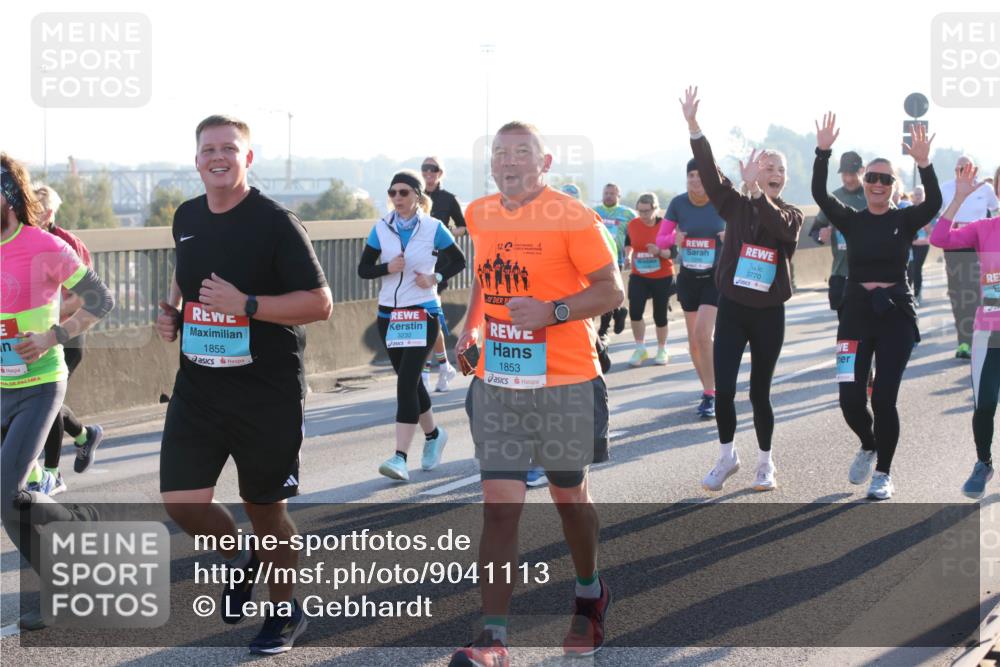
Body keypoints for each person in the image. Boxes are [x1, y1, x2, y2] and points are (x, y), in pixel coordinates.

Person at [155, 115, 332, 654]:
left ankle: (285, 612)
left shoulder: (277, 222)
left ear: (247, 158)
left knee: (265, 509)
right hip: (199, 388)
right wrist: (174, 315)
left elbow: (319, 304)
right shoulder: (186, 216)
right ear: (197, 159)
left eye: (229, 149)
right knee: (181, 502)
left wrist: (248, 305)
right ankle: (236, 554)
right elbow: (187, 277)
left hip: (266, 393)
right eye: (209, 149)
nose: (218, 157)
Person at [451, 121, 622, 665]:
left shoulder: (573, 217)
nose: (509, 162)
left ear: (543, 164)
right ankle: (495, 639)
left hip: (566, 381)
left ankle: (590, 594)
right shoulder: (479, 213)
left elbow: (611, 290)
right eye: (500, 153)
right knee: (499, 510)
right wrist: (471, 327)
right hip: (499, 382)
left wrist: (553, 312)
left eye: (522, 153)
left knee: (569, 500)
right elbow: (485, 275)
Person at [1, 153, 115, 630]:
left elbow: (100, 299)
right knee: (10, 497)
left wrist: (53, 336)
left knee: (7, 492)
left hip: (40, 384)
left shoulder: (43, 246)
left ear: (7, 195)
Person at [812, 112, 941, 501]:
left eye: (886, 179)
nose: (879, 184)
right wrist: (822, 152)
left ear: (893, 186)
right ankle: (869, 444)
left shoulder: (905, 220)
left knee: (883, 397)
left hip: (895, 315)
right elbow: (820, 194)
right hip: (855, 313)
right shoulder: (851, 220)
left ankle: (883, 472)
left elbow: (934, 200)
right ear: (864, 184)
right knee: (850, 397)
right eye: (873, 178)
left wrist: (924, 163)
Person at [681, 87, 803, 493]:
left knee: (759, 392)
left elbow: (778, 228)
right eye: (765, 165)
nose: (772, 171)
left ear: (783, 178)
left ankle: (766, 464)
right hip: (732, 307)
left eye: (778, 169)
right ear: (752, 170)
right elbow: (709, 172)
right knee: (726, 389)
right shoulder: (733, 204)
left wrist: (755, 194)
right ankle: (726, 455)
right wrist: (695, 127)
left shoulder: (790, 213)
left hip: (768, 312)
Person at [357, 169, 465, 482]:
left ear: (418, 195)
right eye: (393, 193)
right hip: (389, 316)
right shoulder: (381, 228)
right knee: (413, 383)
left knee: (406, 383)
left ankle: (400, 457)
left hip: (422, 313)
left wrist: (437, 277)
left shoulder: (433, 227)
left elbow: (457, 261)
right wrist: (386, 268)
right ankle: (434, 435)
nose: (398, 198)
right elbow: (363, 270)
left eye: (404, 192)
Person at [26, 185, 105, 496]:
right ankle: (85, 436)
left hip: (66, 335)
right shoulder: (25, 241)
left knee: (46, 401)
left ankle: (51, 473)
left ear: (48, 214)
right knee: (44, 401)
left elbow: (88, 297)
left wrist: (51, 316)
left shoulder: (66, 243)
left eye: (35, 211)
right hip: (36, 335)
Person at [930, 163, 1000, 499]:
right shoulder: (984, 229)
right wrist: (957, 199)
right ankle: (983, 462)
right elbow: (939, 238)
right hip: (990, 333)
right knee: (984, 403)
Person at [658, 159, 727, 417]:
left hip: (714, 277)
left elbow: (742, 232)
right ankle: (709, 387)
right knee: (694, 342)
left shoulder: (722, 202)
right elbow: (661, 239)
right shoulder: (678, 203)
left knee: (702, 334)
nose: (695, 180)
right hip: (688, 277)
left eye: (700, 176)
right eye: (691, 176)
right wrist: (673, 239)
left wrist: (729, 237)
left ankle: (712, 394)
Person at [939, 156, 1000, 359]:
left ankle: (979, 336)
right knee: (959, 294)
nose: (963, 172)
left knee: (975, 289)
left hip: (980, 244)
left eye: (967, 168)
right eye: (959, 168)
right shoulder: (946, 188)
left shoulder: (985, 189)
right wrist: (958, 198)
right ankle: (964, 341)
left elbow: (995, 209)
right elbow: (938, 232)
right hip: (958, 241)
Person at [422, 156, 465, 392]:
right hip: (416, 264)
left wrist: (447, 232)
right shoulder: (414, 196)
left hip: (440, 266)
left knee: (427, 315)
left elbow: (464, 226)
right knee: (429, 318)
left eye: (433, 169)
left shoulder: (448, 199)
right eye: (425, 168)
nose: (428, 172)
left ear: (440, 173)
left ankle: (426, 373)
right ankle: (445, 366)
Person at [623, 193, 673, 366]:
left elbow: (674, 253)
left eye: (646, 211)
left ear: (655, 209)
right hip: (639, 274)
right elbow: (629, 243)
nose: (643, 215)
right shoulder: (633, 224)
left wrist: (659, 252)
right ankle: (640, 349)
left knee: (660, 315)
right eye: (640, 211)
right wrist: (628, 256)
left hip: (662, 275)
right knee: (635, 311)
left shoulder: (665, 226)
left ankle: (662, 349)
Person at [814, 151, 865, 315]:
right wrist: (821, 235)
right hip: (840, 274)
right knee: (845, 330)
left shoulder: (875, 193)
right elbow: (816, 230)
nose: (848, 178)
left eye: (852, 173)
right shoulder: (833, 198)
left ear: (862, 170)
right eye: (844, 174)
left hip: (869, 274)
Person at [593, 183, 634, 342]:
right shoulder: (595, 212)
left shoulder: (628, 213)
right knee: (600, 293)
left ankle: (603, 330)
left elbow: (634, 236)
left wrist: (630, 254)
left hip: (616, 258)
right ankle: (619, 311)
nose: (608, 196)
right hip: (595, 257)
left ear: (618, 196)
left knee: (609, 292)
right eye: (606, 193)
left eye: (612, 193)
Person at [907, 185, 932, 305]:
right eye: (916, 194)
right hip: (911, 244)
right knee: (909, 268)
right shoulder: (909, 210)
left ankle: (917, 294)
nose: (917, 196)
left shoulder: (928, 209)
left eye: (920, 194)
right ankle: (907, 294)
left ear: (924, 196)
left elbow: (931, 233)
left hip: (922, 244)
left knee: (917, 268)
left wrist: (922, 240)